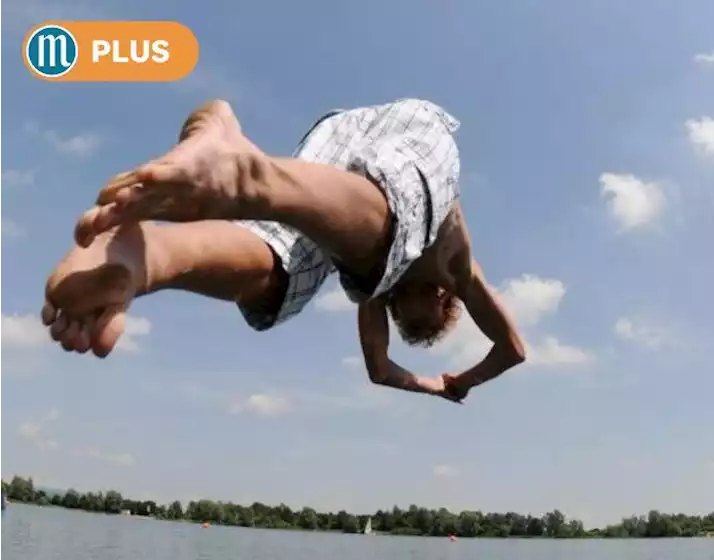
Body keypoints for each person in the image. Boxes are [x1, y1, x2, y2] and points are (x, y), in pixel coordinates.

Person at [41, 98, 527, 402]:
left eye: (402, 322)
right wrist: (464, 381)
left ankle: (147, 255)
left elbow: (379, 370)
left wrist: (431, 386)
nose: (401, 314)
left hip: (331, 152)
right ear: (445, 299)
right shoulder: (458, 269)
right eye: (416, 322)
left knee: (283, 276)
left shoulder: (375, 287)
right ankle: (247, 174)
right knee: (386, 248)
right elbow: (512, 349)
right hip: (416, 129)